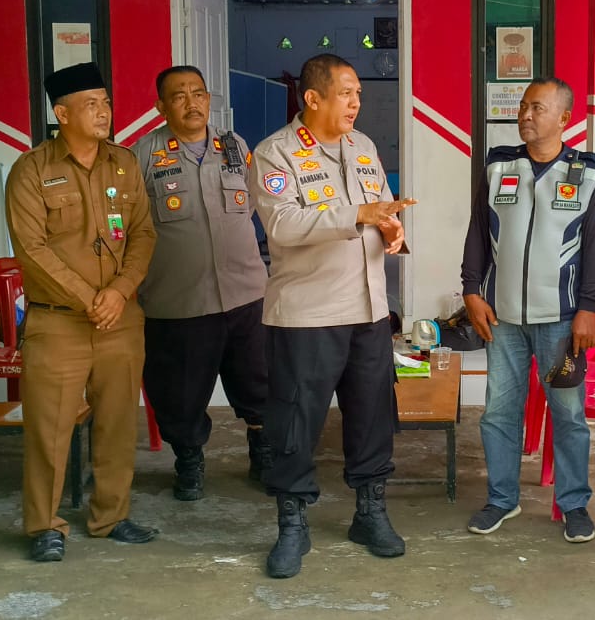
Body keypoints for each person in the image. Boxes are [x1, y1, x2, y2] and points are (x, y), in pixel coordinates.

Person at [250, 53, 416, 579]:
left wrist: (391, 229)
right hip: (308, 314)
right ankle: (292, 524)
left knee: (372, 415)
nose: (356, 103)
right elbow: (283, 224)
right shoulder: (275, 153)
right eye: (346, 93)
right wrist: (359, 214)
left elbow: (380, 206)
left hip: (369, 309)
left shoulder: (362, 146)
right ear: (313, 98)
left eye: (359, 94)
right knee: (295, 421)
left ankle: (370, 513)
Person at [6, 62, 161, 563]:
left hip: (120, 318)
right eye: (91, 104)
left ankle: (111, 515)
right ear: (62, 113)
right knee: (49, 429)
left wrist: (119, 291)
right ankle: (44, 525)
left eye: (106, 102)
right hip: (58, 321)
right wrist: (90, 299)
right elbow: (32, 249)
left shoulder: (125, 163)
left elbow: (143, 234)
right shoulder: (31, 170)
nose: (104, 112)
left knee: (117, 423)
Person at [460, 77, 595, 543]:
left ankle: (574, 504)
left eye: (537, 108)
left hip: (562, 320)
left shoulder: (587, 173)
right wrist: (471, 291)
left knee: (568, 415)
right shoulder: (499, 166)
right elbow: (477, 231)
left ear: (564, 118)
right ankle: (502, 499)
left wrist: (588, 308)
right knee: (498, 413)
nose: (525, 115)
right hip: (502, 319)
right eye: (523, 106)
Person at [132, 65, 271, 501]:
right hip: (179, 301)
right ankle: (188, 460)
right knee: (180, 393)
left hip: (245, 293)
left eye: (198, 93)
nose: (191, 103)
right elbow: (131, 223)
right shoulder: (142, 155)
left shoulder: (235, 146)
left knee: (259, 383)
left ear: (209, 100)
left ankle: (263, 453)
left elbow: (253, 203)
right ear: (161, 106)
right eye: (179, 96)